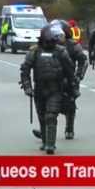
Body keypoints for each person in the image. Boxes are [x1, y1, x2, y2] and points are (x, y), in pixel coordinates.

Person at [20, 24, 78, 154]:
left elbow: (70, 71)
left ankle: (50, 145)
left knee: (51, 116)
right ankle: (45, 141)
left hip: (55, 89)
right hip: (39, 89)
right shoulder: (34, 51)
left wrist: (73, 88)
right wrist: (27, 87)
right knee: (42, 117)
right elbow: (25, 70)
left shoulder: (61, 52)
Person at [32, 20, 87, 140]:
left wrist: (78, 76)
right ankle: (46, 132)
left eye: (60, 33)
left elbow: (83, 60)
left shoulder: (73, 45)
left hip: (68, 79)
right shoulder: (46, 46)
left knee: (70, 104)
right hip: (52, 81)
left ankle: (69, 128)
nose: (57, 36)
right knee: (47, 107)